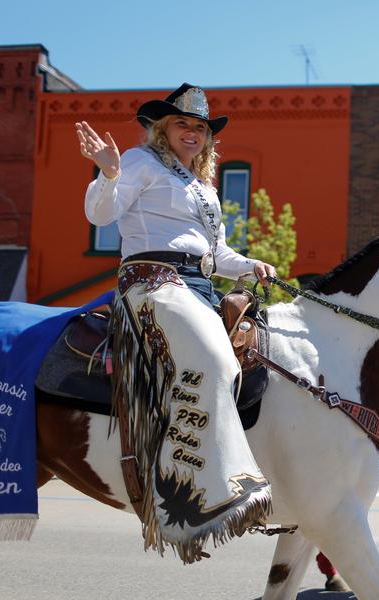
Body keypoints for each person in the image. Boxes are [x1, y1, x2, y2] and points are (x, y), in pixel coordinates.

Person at [77, 83, 275, 548]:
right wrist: (107, 173)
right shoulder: (140, 162)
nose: (192, 133)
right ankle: (187, 483)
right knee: (217, 359)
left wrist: (249, 264)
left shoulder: (203, 186)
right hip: (152, 281)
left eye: (200, 127)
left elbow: (215, 252)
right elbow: (100, 214)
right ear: (163, 129)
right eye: (182, 124)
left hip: (200, 283)